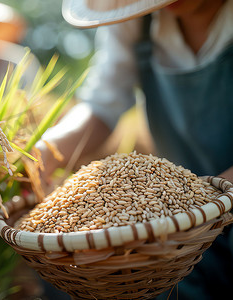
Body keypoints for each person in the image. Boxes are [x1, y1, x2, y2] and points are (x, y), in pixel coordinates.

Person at [35, 0, 233, 299]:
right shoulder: (137, 20)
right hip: (181, 222)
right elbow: (102, 104)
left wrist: (209, 200)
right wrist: (46, 150)